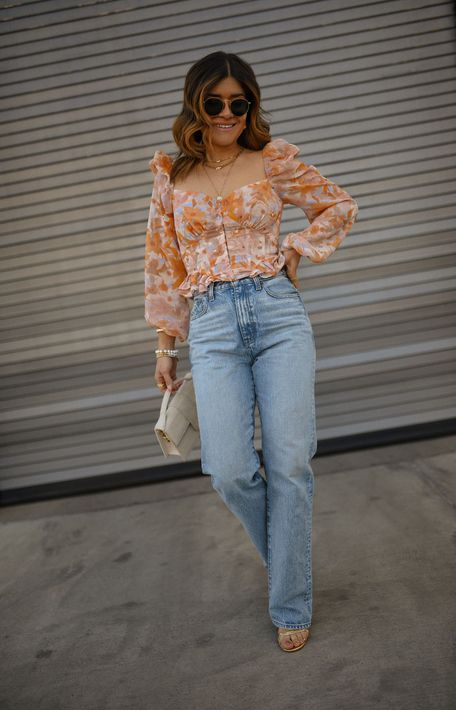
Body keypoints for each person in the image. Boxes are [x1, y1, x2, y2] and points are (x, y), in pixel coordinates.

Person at [144, 51, 358, 652]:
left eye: (240, 103)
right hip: (210, 326)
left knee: (290, 462)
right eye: (216, 103)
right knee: (231, 469)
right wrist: (165, 345)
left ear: (251, 106)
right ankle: (292, 562)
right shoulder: (172, 176)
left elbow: (337, 205)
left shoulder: (272, 159)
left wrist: (295, 251)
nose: (228, 114)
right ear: (196, 105)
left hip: (276, 314)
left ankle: (290, 601)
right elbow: (163, 263)